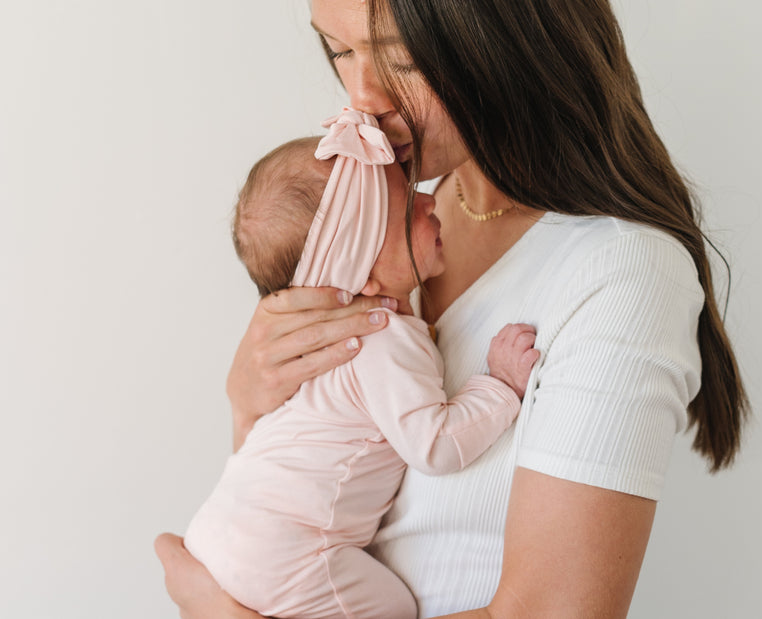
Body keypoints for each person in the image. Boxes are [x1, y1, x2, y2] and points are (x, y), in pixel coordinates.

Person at [155, 1, 749, 617]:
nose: (362, 98)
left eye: (402, 58)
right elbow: (300, 505)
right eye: (339, 50)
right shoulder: (379, 239)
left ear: (508, 35)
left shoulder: (619, 270)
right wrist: (249, 406)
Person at [183, 109, 538, 619]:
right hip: (288, 558)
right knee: (394, 606)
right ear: (361, 277)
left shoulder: (328, 338)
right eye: (404, 211)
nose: (428, 198)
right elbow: (434, 444)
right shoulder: (381, 336)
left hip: (227, 529)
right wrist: (500, 387)